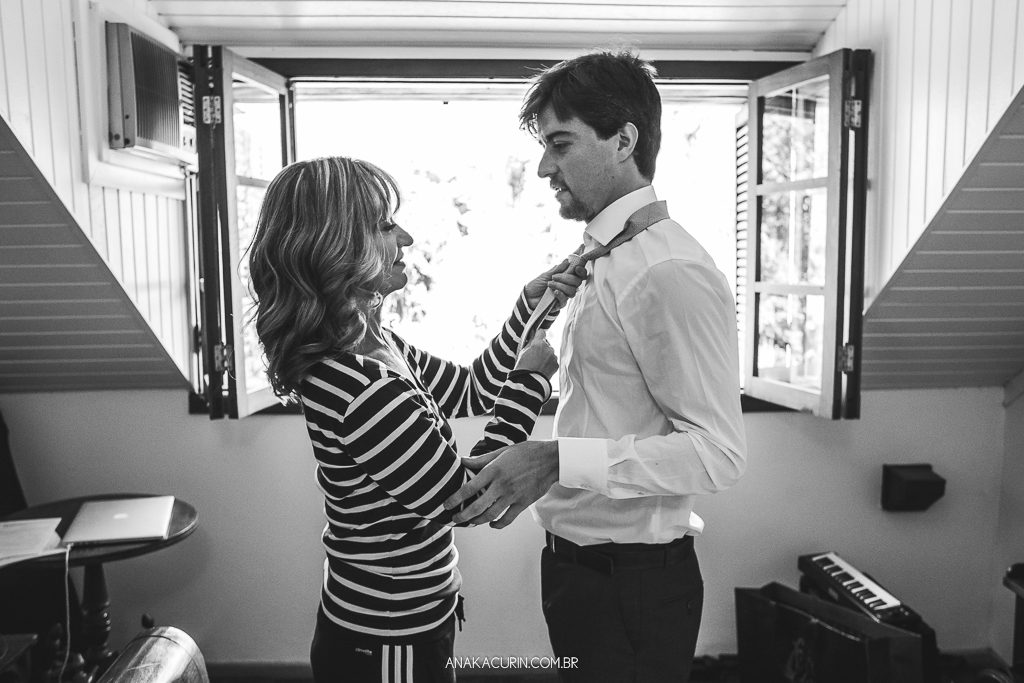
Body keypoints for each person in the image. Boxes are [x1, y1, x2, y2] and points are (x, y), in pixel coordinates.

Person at [444, 51, 748, 682]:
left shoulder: (668, 270)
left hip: (631, 587)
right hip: (579, 573)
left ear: (623, 141)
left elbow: (717, 454)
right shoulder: (604, 257)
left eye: (560, 144)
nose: (543, 168)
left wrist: (554, 461)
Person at [247, 156, 586, 683]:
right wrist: (530, 384)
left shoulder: (375, 344)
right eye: (386, 225)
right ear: (338, 246)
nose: (405, 237)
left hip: (407, 622)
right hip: (386, 637)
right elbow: (465, 499)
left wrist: (530, 309)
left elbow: (471, 389)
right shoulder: (357, 385)